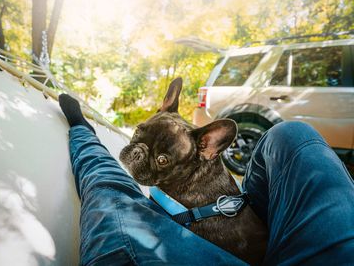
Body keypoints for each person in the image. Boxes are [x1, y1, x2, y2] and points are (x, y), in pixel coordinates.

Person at [58, 94, 354, 265]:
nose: (138, 155)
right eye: (139, 134)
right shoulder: (181, 137)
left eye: (161, 159)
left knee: (114, 207)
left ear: (207, 148)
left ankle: (84, 134)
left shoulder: (199, 148)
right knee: (291, 133)